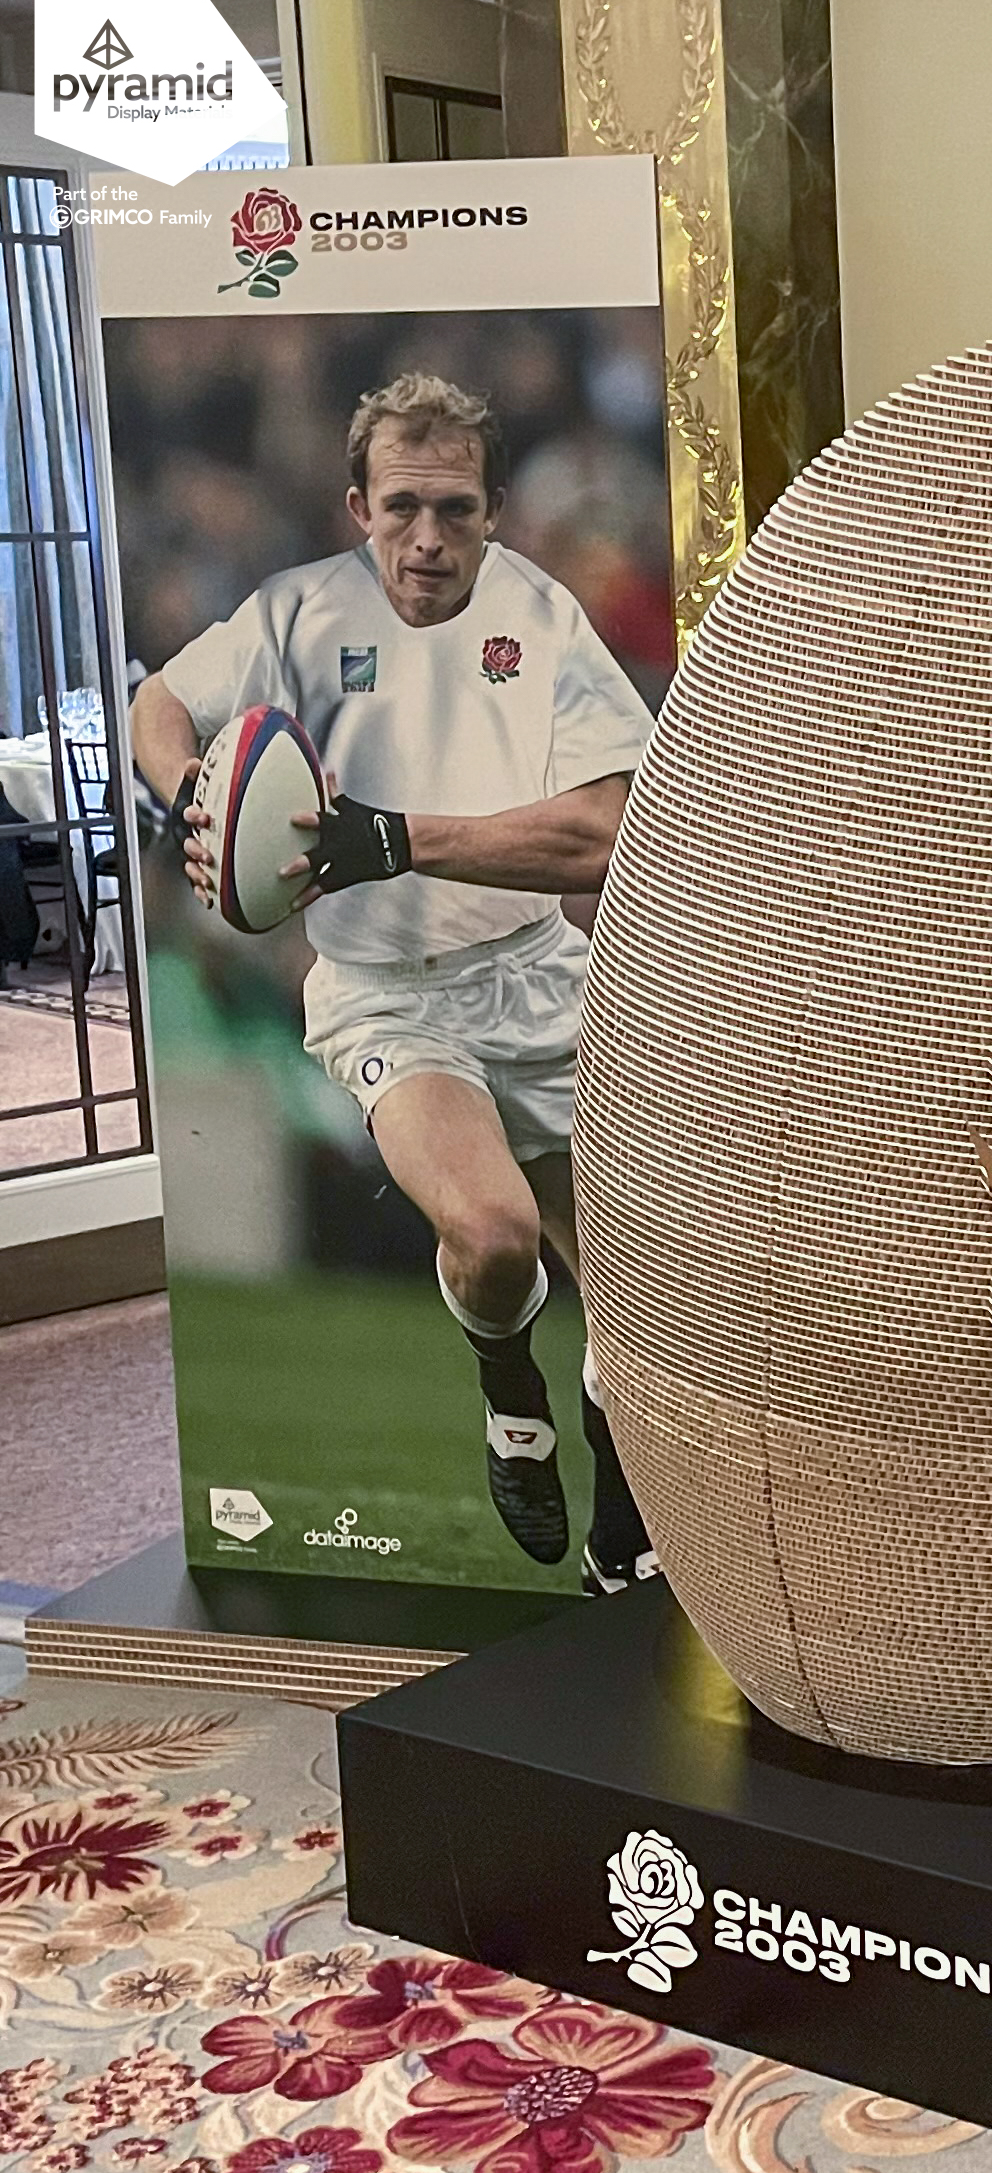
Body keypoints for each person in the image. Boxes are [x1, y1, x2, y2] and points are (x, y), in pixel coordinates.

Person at [130, 371, 658, 1593]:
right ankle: (507, 1384)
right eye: (403, 507)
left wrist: (396, 836)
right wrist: (189, 802)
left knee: (642, 1300)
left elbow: (603, 832)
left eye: (458, 510)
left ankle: (620, 1555)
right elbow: (162, 701)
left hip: (539, 976)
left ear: (496, 510)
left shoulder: (546, 622)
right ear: (356, 504)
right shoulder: (291, 614)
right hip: (385, 993)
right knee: (492, 1233)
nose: (429, 538)